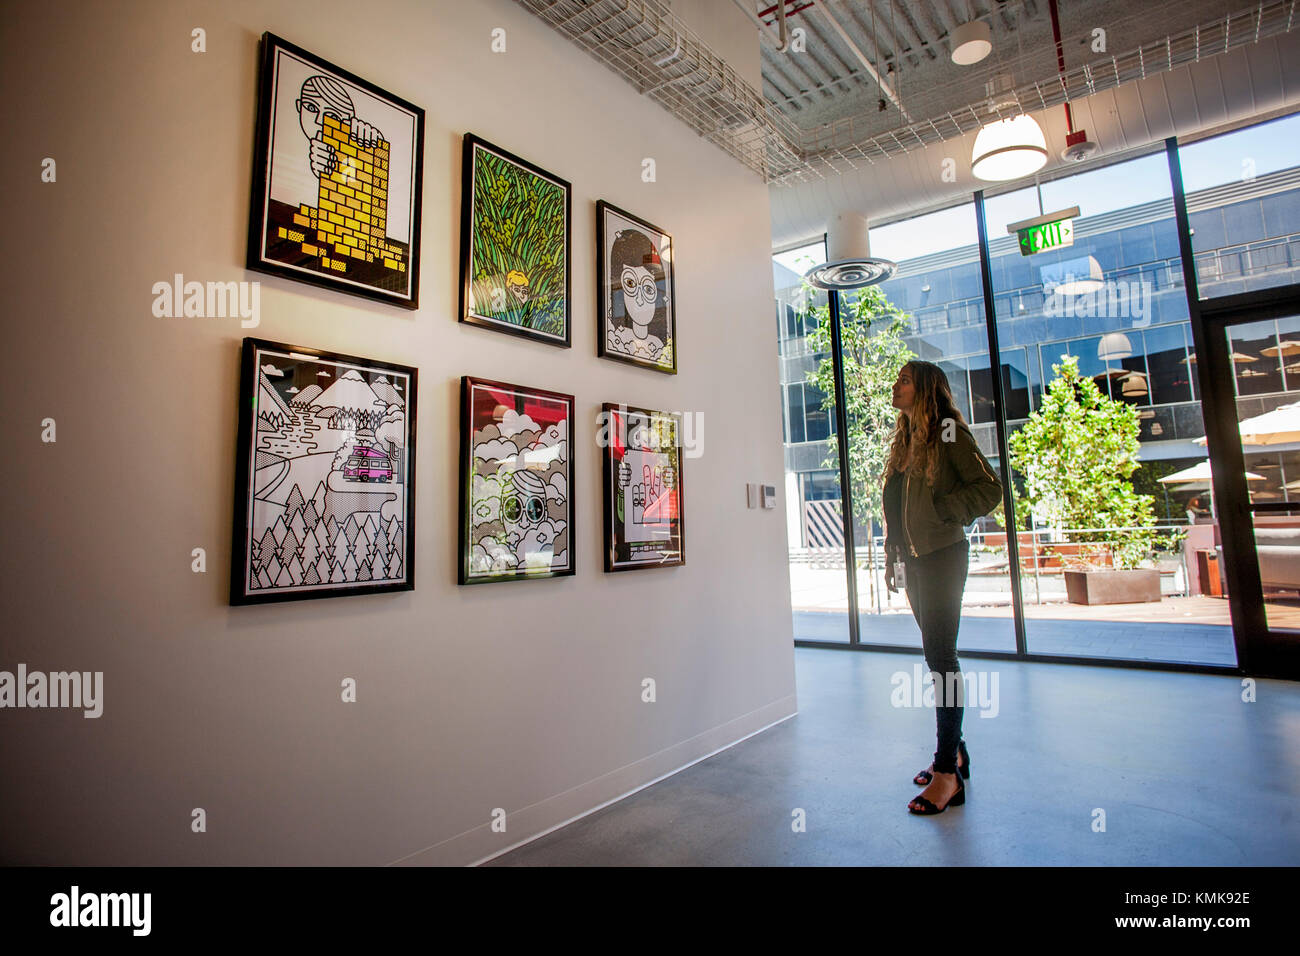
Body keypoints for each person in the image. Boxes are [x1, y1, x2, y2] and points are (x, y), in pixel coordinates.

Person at [883, 361, 1003, 815]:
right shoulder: (906, 439)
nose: (896, 386)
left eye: (905, 380)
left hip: (942, 559)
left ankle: (947, 774)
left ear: (927, 388)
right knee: (935, 656)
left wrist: (942, 511)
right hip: (914, 562)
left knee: (941, 659)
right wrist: (894, 557)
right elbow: (897, 506)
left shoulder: (948, 431)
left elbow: (987, 488)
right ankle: (955, 749)